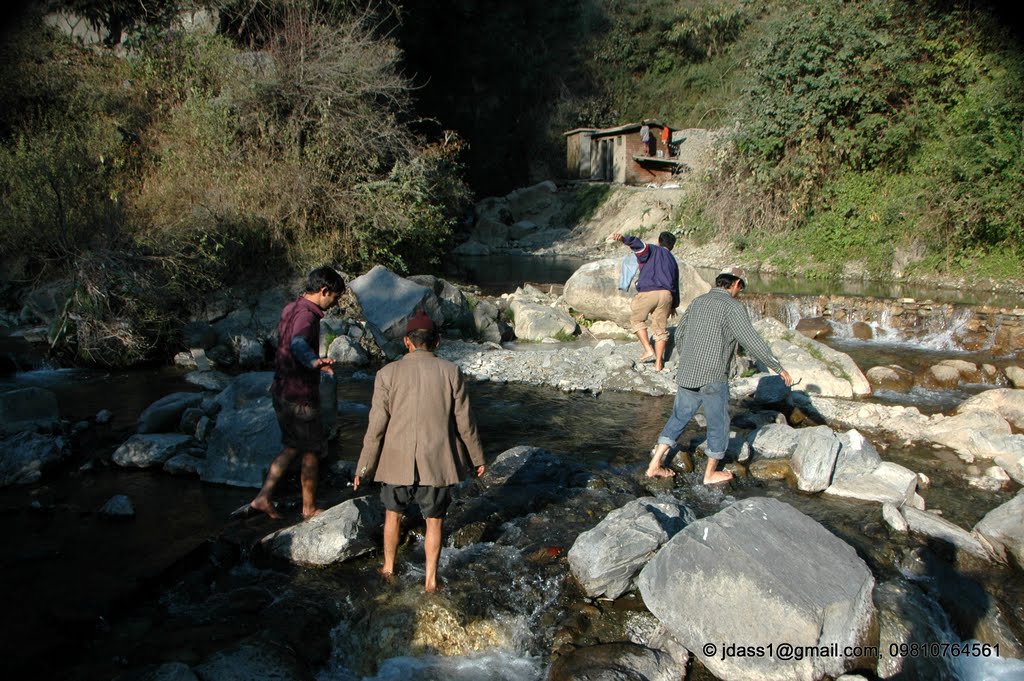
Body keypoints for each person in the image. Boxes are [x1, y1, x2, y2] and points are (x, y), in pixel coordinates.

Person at [353, 310, 486, 593]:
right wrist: (477, 459)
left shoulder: (386, 374)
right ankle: (431, 581)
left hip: (396, 461)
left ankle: (389, 568)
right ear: (437, 342)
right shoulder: (451, 372)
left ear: (406, 341)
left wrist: (363, 468)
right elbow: (465, 422)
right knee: (434, 521)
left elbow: (376, 426)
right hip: (436, 462)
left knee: (393, 515)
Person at [646, 265, 792, 484]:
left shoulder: (698, 302)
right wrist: (777, 367)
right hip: (713, 374)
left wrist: (688, 358)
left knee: (679, 416)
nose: (739, 292)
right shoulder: (732, 307)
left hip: (687, 371)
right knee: (719, 422)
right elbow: (751, 340)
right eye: (740, 287)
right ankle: (710, 473)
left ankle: (654, 464)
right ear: (735, 284)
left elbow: (682, 334)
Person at [250, 266, 345, 520]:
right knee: (313, 450)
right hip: (299, 396)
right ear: (324, 291)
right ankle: (309, 508)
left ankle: (262, 497)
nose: (333, 303)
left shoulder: (290, 308)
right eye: (334, 297)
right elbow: (298, 343)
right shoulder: (307, 315)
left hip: (280, 390)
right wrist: (315, 362)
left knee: (291, 446)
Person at [611, 230, 680, 372]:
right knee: (661, 329)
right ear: (672, 246)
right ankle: (659, 363)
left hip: (649, 292)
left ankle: (648, 349)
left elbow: (638, 245)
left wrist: (623, 238)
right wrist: (674, 305)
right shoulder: (673, 261)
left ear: (659, 241)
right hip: (666, 295)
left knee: (636, 320)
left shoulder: (652, 250)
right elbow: (675, 284)